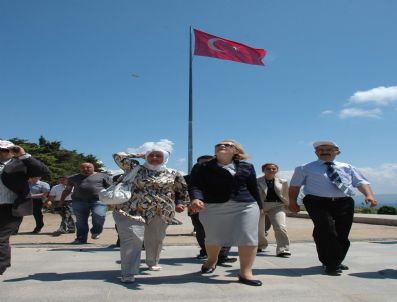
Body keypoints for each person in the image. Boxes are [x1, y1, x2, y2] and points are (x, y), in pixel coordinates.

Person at [288, 140, 377, 276]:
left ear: (337, 152)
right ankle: (331, 264)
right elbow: (295, 186)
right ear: (315, 152)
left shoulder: (347, 167)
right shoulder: (304, 168)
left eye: (329, 149)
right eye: (321, 150)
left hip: (344, 202)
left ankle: (336, 259)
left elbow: (360, 182)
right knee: (327, 230)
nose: (325, 152)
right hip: (316, 202)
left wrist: (369, 195)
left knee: (342, 233)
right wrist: (293, 202)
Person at [112, 139, 190, 283]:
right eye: (151, 155)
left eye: (158, 155)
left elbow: (182, 190)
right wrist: (138, 155)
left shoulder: (173, 173)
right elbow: (118, 156)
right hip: (132, 210)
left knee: (156, 239)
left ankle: (152, 261)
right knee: (133, 240)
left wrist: (180, 203)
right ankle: (128, 272)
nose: (154, 158)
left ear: (165, 157)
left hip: (161, 211)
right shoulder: (134, 168)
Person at [189, 139, 263, 286]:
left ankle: (245, 272)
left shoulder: (247, 166)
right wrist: (196, 198)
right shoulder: (202, 167)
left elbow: (253, 188)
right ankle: (211, 261)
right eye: (218, 145)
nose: (222, 146)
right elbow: (195, 185)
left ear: (235, 150)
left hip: (245, 205)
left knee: (248, 237)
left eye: (228, 145)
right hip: (213, 206)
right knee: (213, 238)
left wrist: (259, 207)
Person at [0, 140, 49, 275]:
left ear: (12, 151)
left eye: (6, 150)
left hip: (10, 206)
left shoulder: (21, 163)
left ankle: (1, 265)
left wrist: (23, 155)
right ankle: (4, 261)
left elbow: (43, 170)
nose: (2, 153)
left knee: (1, 237)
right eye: (0, 150)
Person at [186, 155, 237, 264]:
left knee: (227, 231)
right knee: (202, 231)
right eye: (202, 163)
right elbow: (183, 192)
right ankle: (205, 251)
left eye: (209, 162)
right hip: (197, 208)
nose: (206, 165)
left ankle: (222, 255)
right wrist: (189, 203)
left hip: (221, 206)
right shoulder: (188, 178)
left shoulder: (223, 175)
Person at [60, 162, 112, 244]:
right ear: (80, 169)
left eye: (88, 167)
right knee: (80, 221)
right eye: (83, 168)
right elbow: (67, 190)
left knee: (99, 216)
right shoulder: (73, 178)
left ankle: (96, 231)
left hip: (98, 200)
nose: (85, 169)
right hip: (79, 201)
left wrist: (112, 201)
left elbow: (110, 188)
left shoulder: (103, 176)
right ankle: (80, 239)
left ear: (93, 168)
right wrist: (61, 200)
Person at [257, 163, 291, 257]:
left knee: (280, 226)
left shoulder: (283, 181)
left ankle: (283, 249)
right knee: (259, 229)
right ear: (263, 170)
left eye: (273, 168)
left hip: (277, 205)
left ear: (277, 170)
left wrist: (288, 205)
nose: (271, 170)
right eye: (268, 169)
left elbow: (285, 194)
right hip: (260, 206)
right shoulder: (256, 181)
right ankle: (260, 245)